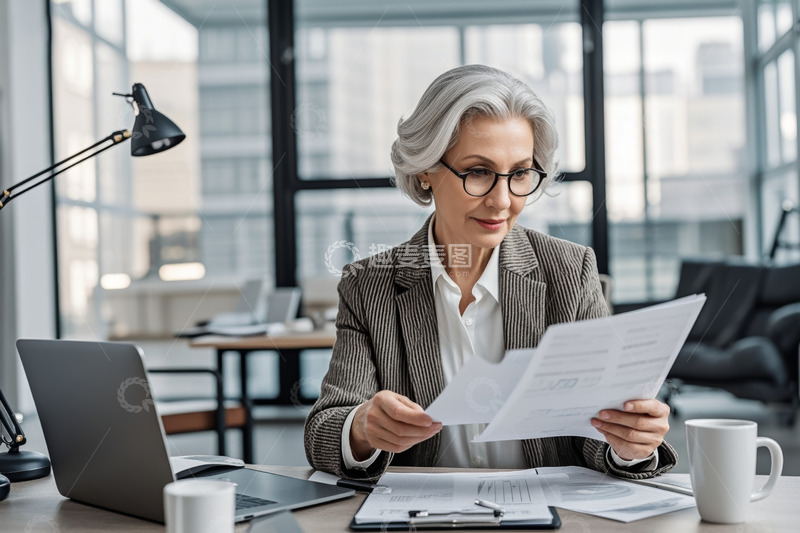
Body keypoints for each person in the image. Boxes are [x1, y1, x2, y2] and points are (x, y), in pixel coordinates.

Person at [304, 64, 676, 481]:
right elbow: (323, 430)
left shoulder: (571, 272)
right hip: (423, 512)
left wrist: (626, 445)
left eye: (520, 174)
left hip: (546, 508)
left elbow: (596, 428)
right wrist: (361, 428)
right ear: (425, 170)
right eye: (478, 172)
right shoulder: (368, 285)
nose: (502, 201)